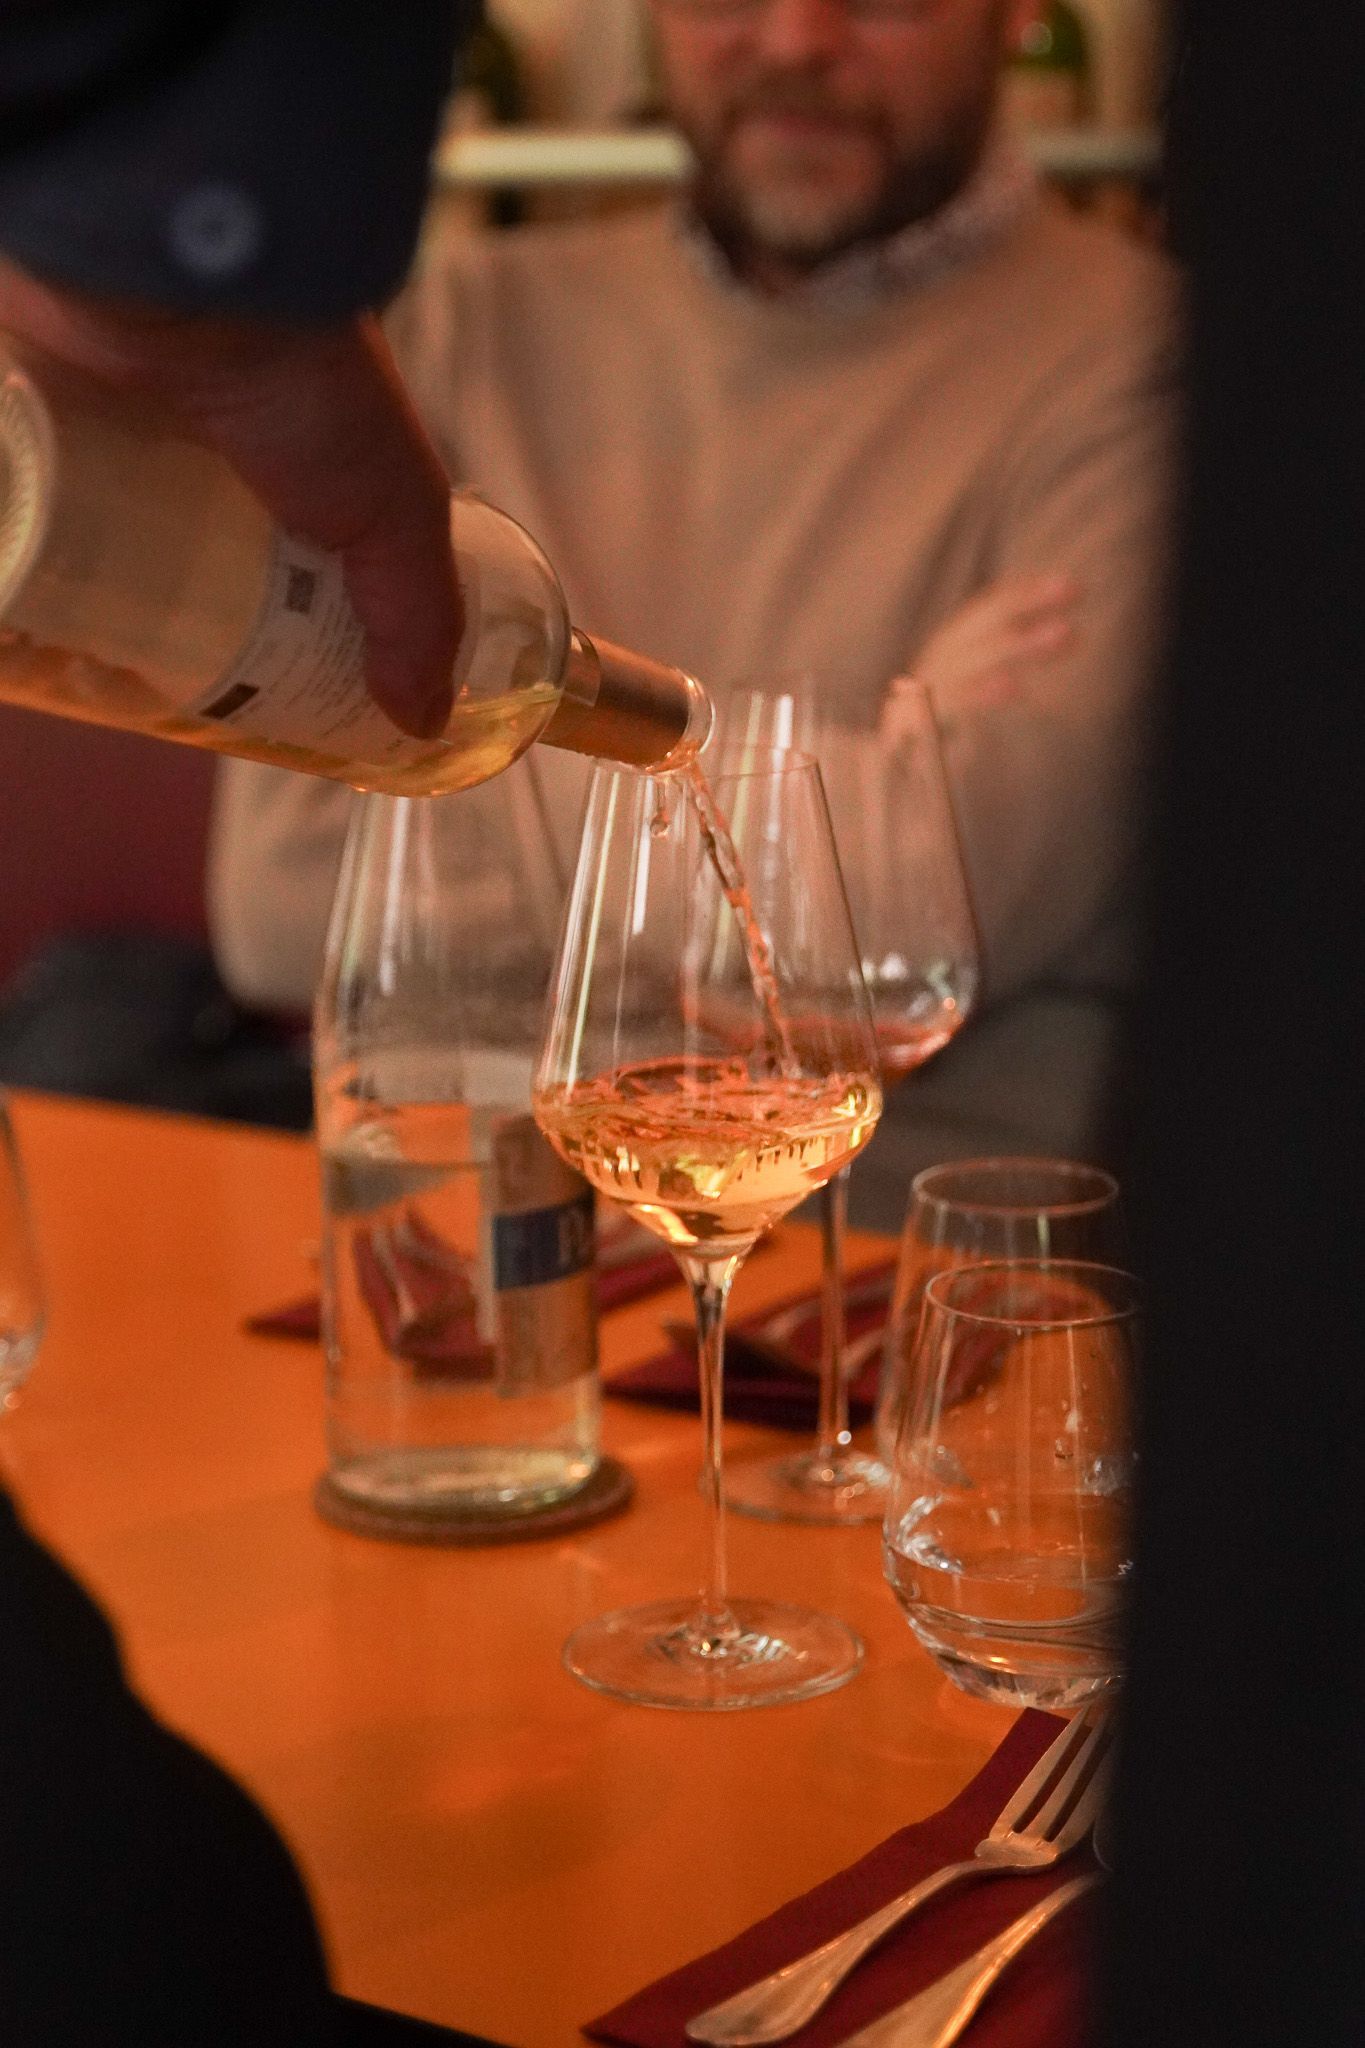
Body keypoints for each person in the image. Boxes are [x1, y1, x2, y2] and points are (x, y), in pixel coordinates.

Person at [206, 0, 1177, 1228]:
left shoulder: (1151, 361)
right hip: (471, 1272)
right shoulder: (461, 324)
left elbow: (911, 923)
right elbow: (282, 894)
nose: (793, 39)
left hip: (898, 1290)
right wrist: (852, 790)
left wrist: (446, 749)